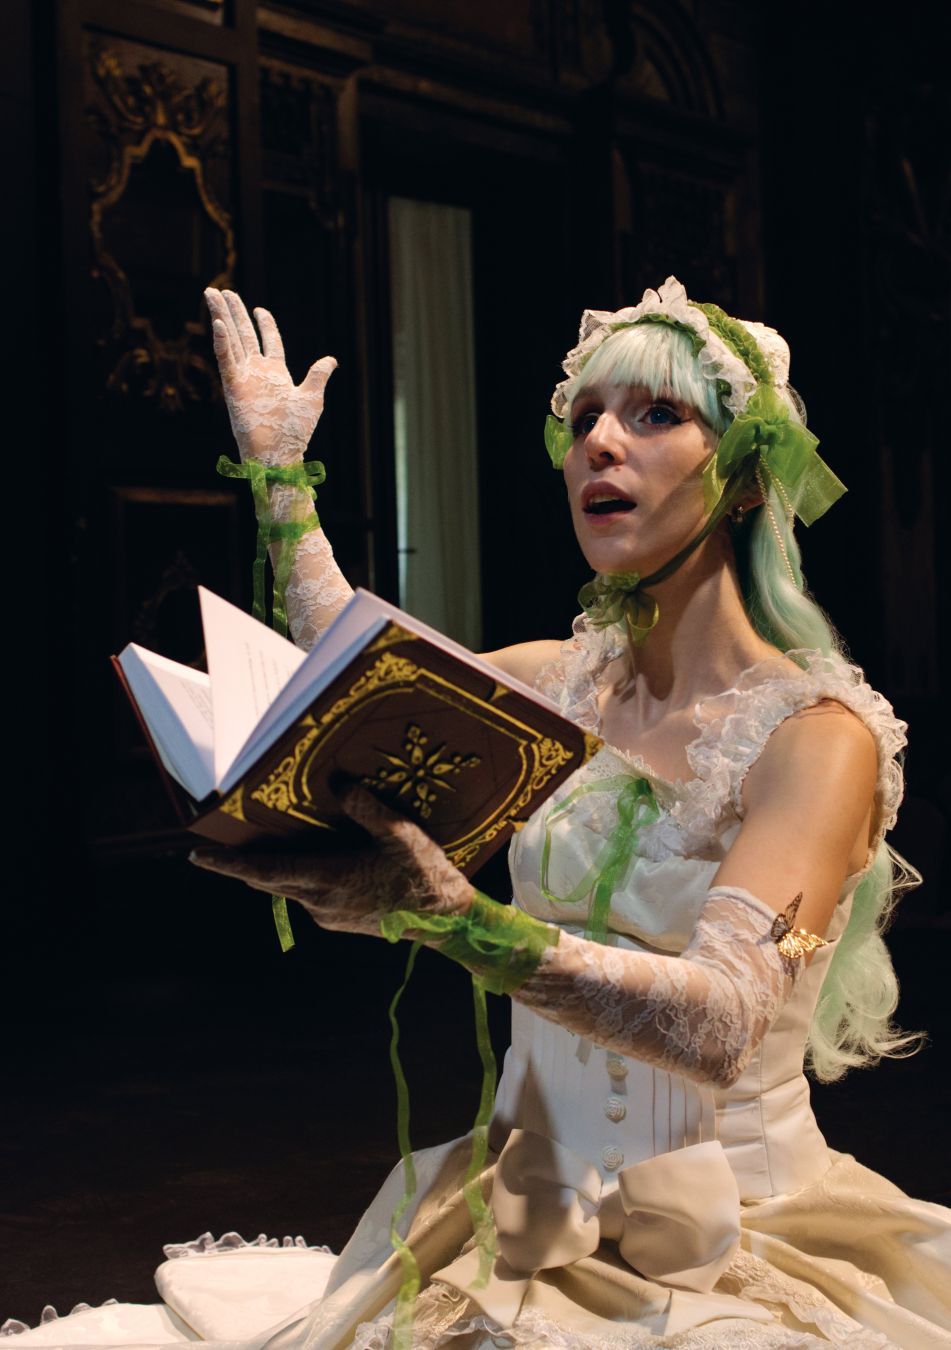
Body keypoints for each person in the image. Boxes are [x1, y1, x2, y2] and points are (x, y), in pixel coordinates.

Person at [6, 278, 950, 1348]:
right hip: (524, 1210)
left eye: (655, 414)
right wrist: (280, 482)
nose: (600, 442)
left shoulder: (817, 738)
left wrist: (462, 921)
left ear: (742, 480)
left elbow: (722, 1021)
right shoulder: (568, 682)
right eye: (585, 416)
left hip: (741, 1236)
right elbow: (361, 678)